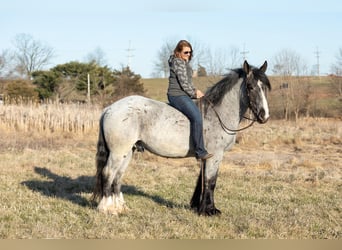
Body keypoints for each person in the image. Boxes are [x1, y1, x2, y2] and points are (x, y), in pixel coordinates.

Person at [167, 40, 213, 160]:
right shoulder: (178, 62)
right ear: (178, 52)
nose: (188, 54)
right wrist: (194, 93)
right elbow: (183, 83)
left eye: (190, 52)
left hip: (183, 94)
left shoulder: (184, 62)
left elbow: (188, 82)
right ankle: (200, 152)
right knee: (197, 116)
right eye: (186, 52)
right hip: (177, 94)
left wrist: (196, 91)